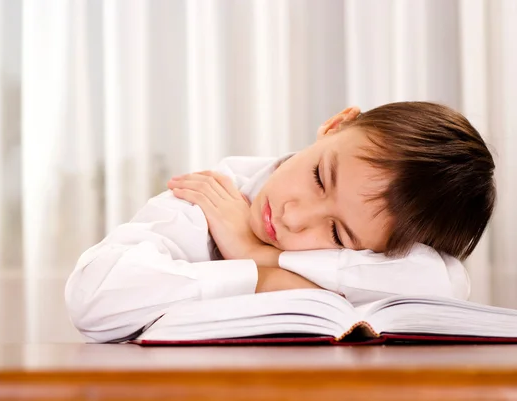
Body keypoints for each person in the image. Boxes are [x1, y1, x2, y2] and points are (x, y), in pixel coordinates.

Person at [65, 102, 496, 343]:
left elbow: (444, 284)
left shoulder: (395, 253)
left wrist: (257, 253)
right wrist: (258, 274)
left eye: (335, 234)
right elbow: (93, 297)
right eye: (318, 178)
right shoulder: (213, 196)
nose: (294, 215)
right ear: (334, 125)